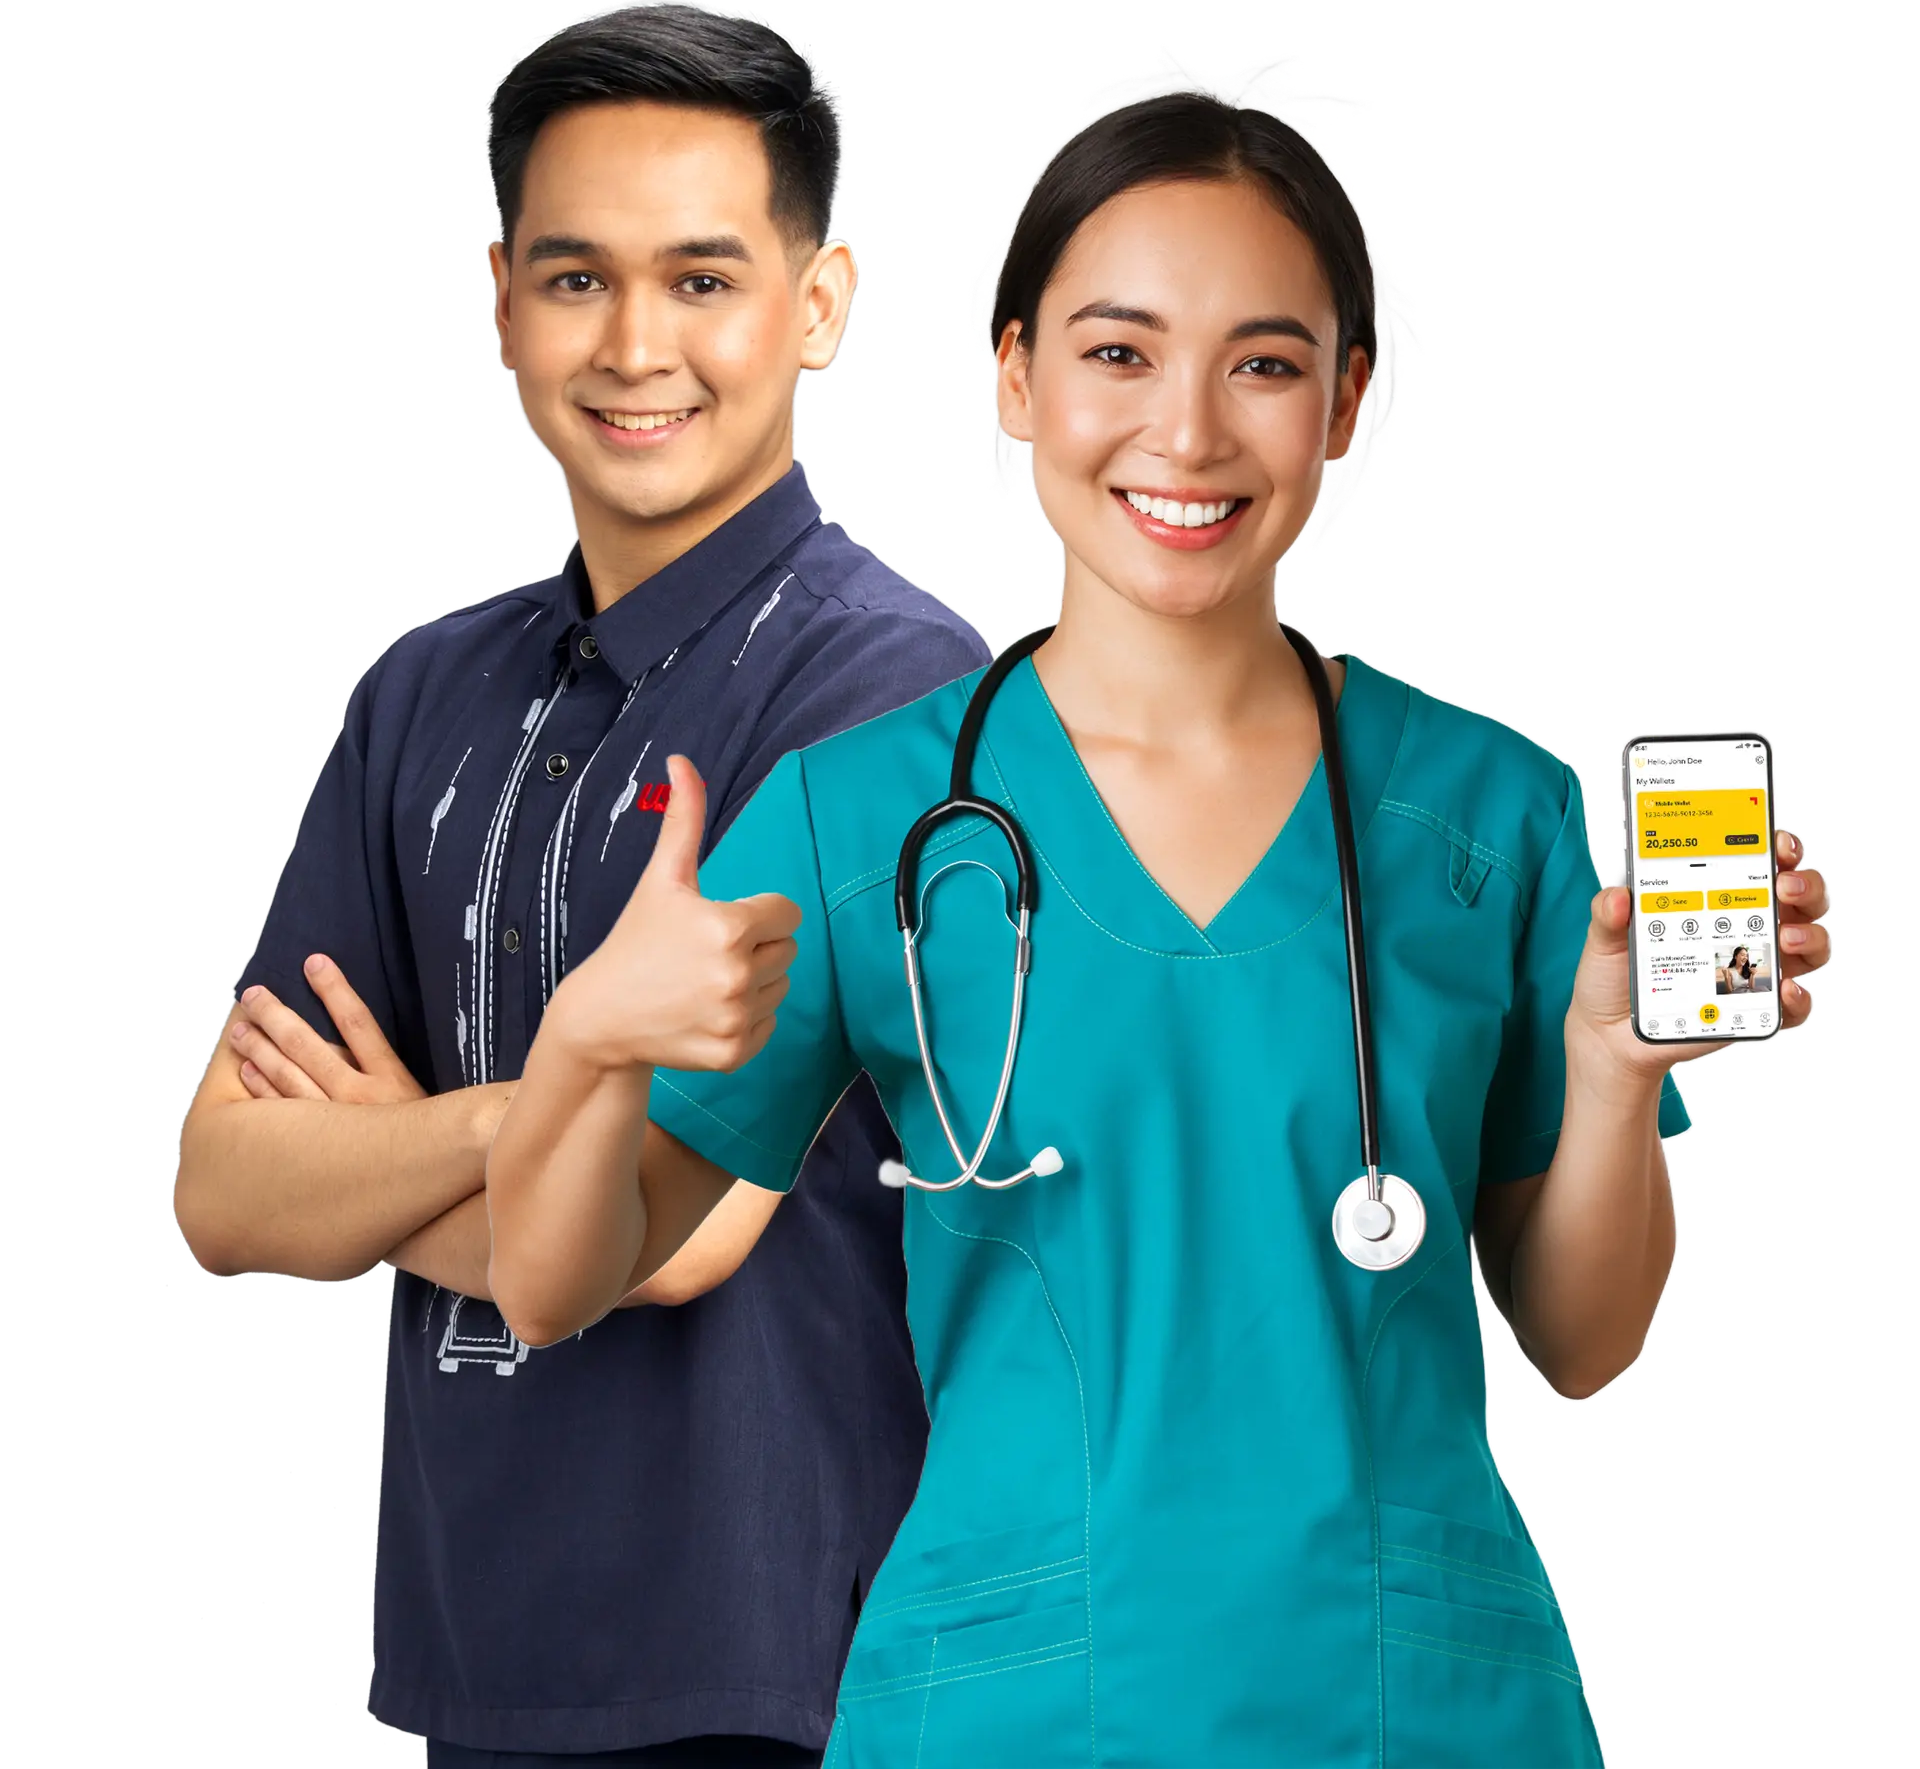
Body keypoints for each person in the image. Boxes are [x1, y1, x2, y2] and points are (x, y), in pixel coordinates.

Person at [484, 89, 1837, 1766]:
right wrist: (588, 1037)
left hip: (1412, 1715)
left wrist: (1613, 1060)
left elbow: (1580, 1339)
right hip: (1011, 1712)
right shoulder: (863, 821)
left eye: (1263, 364)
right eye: (1119, 355)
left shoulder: (1487, 814)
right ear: (1014, 371)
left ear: (1345, 399)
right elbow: (555, 1282)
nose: (1186, 436)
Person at [172, 1, 990, 1767]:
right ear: (498, 300)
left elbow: (680, 1228)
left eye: (703, 279)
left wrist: (398, 1143)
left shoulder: (893, 693)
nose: (636, 345)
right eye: (574, 278)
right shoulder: (423, 695)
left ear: (822, 303)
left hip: (788, 1664)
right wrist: (556, 1105)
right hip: (479, 1658)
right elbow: (228, 1187)